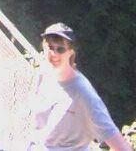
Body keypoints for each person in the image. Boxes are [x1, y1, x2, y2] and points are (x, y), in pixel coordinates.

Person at [25, 23, 130, 151]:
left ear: (71, 52)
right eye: (50, 47)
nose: (54, 53)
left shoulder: (83, 93)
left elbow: (118, 143)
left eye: (60, 49)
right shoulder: (43, 74)